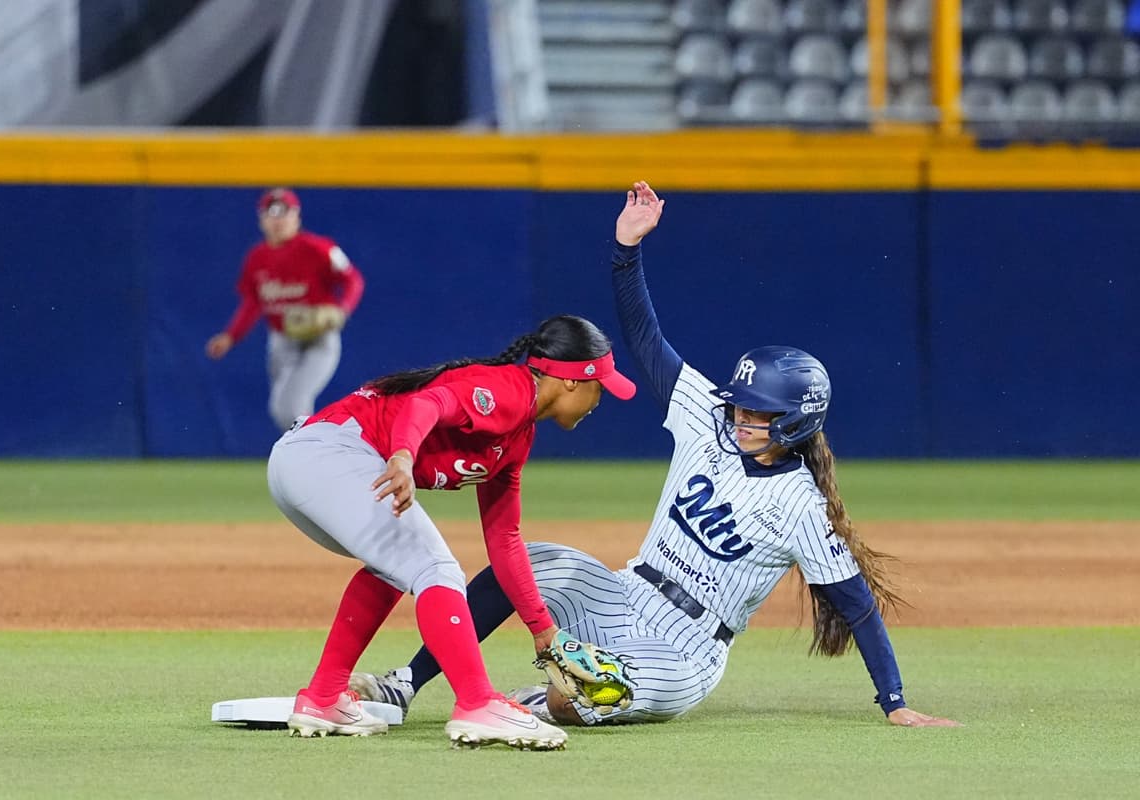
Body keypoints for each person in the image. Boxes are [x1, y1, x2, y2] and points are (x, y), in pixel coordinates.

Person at [351, 181, 959, 729]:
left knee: (580, 694)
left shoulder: (799, 504)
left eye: (758, 413)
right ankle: (405, 686)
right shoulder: (709, 417)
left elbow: (855, 603)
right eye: (743, 405)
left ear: (797, 422)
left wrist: (895, 701)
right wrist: (626, 252)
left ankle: (534, 700)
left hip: (685, 649)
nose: (742, 417)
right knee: (530, 562)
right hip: (623, 593)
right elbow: (647, 340)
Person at [266, 314, 637, 748]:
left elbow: (504, 537)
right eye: (601, 386)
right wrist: (403, 455)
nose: (601, 399)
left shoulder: (517, 435)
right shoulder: (508, 391)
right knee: (436, 568)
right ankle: (478, 704)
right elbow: (424, 406)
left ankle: (324, 696)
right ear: (572, 381)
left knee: (395, 568)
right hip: (327, 455)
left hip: (310, 463)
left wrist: (543, 630)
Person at [206, 188, 365, 432]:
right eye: (271, 214)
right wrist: (231, 336)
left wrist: (343, 309)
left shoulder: (317, 248)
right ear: (261, 220)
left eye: (285, 213)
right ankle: (311, 454)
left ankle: (315, 453)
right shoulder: (257, 257)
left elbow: (353, 279)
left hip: (318, 339)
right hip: (283, 340)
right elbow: (253, 302)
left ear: (297, 217)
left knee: (292, 404)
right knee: (283, 409)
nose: (278, 220)